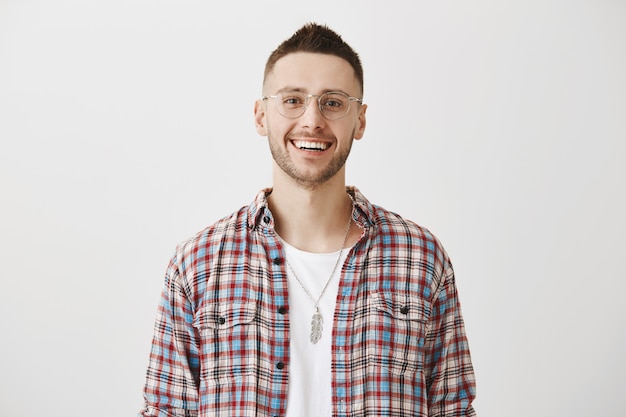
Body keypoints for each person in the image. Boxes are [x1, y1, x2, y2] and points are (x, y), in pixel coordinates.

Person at [139, 22, 476, 417]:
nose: (312, 120)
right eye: (293, 100)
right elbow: (166, 411)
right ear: (261, 115)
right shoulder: (197, 263)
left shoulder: (420, 258)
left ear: (360, 120)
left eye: (332, 102)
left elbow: (451, 409)